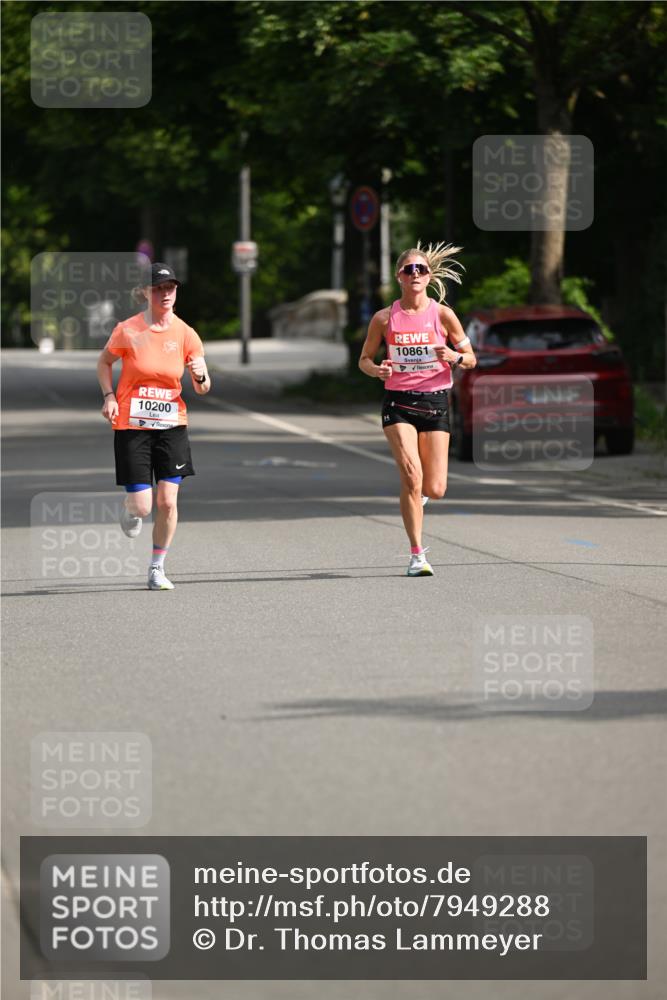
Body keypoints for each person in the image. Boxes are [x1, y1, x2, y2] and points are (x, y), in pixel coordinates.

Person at [359, 242, 476, 576]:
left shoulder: (442, 314)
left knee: (435, 488)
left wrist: (454, 357)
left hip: (436, 402)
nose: (415, 274)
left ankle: (418, 498)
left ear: (428, 276)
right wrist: (377, 370)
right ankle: (417, 555)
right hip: (398, 403)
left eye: (420, 269)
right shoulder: (384, 318)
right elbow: (364, 359)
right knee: (411, 475)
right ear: (399, 276)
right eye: (409, 269)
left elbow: (471, 358)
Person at [97, 262, 210, 590]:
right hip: (132, 424)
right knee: (143, 506)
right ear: (146, 292)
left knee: (168, 502)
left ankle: (156, 567)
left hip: (171, 424)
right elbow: (104, 362)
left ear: (176, 292)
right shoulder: (128, 329)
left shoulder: (186, 334)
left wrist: (201, 373)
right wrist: (109, 396)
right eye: (159, 289)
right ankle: (130, 506)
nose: (165, 294)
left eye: (170, 288)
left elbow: (203, 387)